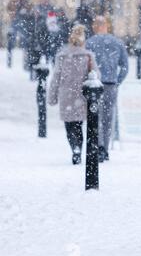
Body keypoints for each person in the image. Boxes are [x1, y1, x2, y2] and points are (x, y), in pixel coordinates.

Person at [48, 25, 99, 165]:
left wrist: (52, 97)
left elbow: (56, 78)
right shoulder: (88, 56)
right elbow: (96, 76)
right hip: (82, 96)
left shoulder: (62, 56)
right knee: (78, 124)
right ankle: (78, 147)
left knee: (69, 125)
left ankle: (74, 147)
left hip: (66, 95)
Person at [86, 16, 129, 162]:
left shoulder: (89, 43)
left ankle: (98, 145)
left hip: (94, 85)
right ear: (107, 26)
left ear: (94, 26)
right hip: (111, 83)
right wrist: (118, 80)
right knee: (108, 117)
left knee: (94, 115)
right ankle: (105, 146)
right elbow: (125, 66)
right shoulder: (117, 42)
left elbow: (85, 64)